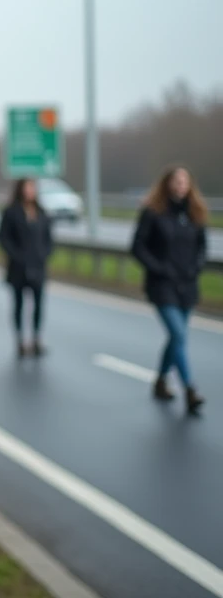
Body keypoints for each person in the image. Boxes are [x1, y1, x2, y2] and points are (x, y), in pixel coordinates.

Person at [131, 165, 208, 416]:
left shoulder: (195, 214)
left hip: (187, 285)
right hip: (162, 284)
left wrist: (196, 267)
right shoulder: (153, 213)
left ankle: (161, 380)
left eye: (184, 181)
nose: (180, 185)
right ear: (167, 184)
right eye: (176, 181)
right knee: (178, 334)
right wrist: (158, 268)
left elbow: (201, 247)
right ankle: (190, 389)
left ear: (190, 185)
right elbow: (138, 246)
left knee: (177, 338)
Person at [0, 177, 54, 358]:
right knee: (19, 304)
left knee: (38, 304)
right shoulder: (11, 212)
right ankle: (20, 340)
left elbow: (49, 238)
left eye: (33, 188)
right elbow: (2, 237)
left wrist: (44, 254)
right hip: (18, 267)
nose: (30, 191)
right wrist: (16, 255)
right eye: (27, 187)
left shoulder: (42, 212)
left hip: (38, 266)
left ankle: (36, 338)